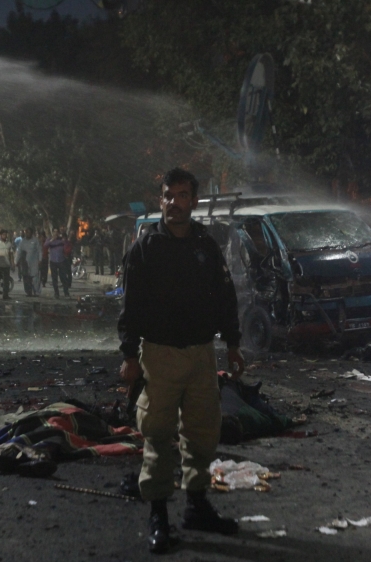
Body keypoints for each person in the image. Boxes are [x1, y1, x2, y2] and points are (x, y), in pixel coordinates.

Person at [118, 168, 244, 553]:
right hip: (159, 355)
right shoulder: (145, 248)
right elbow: (131, 307)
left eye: (183, 195)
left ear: (193, 200)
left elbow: (225, 297)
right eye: (169, 195)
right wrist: (129, 355)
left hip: (202, 354)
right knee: (157, 433)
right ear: (161, 201)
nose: (175, 202)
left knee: (203, 433)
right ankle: (159, 514)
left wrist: (234, 344)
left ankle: (197, 505)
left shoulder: (205, 246)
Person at [46, 228, 71, 298]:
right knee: (54, 278)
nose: (55, 233)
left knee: (63, 278)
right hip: (53, 261)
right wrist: (52, 240)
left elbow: (68, 245)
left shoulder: (61, 239)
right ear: (52, 232)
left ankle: (66, 293)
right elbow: (45, 245)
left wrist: (64, 242)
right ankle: (56, 293)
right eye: (54, 231)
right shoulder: (49, 239)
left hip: (61, 261)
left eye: (57, 232)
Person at [18, 228, 41, 297]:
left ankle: (36, 292)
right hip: (25, 263)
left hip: (34, 262)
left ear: (31, 233)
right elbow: (19, 252)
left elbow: (40, 251)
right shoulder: (22, 241)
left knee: (35, 278)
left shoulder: (36, 241)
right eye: (26, 232)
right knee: (26, 277)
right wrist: (16, 261)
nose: (27, 233)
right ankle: (28, 292)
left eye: (28, 232)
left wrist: (40, 259)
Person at [0, 229, 14, 299]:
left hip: (6, 265)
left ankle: (5, 295)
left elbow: (11, 255)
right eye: (4, 234)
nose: (5, 236)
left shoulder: (9, 244)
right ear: (1, 235)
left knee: (6, 281)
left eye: (6, 234)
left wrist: (12, 263)